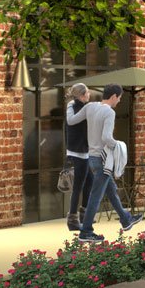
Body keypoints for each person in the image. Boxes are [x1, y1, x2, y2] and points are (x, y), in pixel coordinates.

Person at [71, 84, 139, 242]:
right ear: (114, 96)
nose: (119, 101)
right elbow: (107, 138)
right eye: (120, 98)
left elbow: (73, 120)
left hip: (92, 158)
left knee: (111, 189)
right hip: (103, 159)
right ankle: (86, 231)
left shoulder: (90, 107)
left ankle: (126, 220)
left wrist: (70, 105)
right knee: (96, 195)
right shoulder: (109, 112)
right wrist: (119, 146)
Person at [63, 82, 95, 231]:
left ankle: (84, 214)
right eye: (87, 92)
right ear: (82, 95)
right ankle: (73, 219)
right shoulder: (75, 107)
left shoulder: (79, 106)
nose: (89, 95)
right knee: (78, 186)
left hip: (82, 151)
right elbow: (72, 122)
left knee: (89, 181)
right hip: (77, 152)